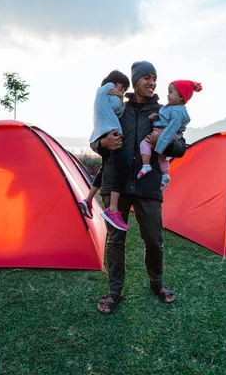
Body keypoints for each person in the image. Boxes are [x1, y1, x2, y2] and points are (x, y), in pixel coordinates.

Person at [91, 61, 187, 314]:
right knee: (115, 240)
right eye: (146, 77)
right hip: (117, 184)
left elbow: (181, 147)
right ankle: (114, 291)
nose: (152, 82)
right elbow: (97, 136)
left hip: (148, 183)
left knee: (154, 240)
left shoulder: (164, 111)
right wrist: (102, 143)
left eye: (155, 78)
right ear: (135, 81)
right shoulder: (118, 107)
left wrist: (163, 143)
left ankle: (157, 283)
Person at [78, 70, 131, 231]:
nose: (122, 92)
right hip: (111, 133)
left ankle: (87, 200)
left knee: (104, 167)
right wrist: (119, 97)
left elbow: (117, 109)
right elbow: (117, 107)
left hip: (103, 133)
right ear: (117, 82)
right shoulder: (108, 87)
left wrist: (119, 97)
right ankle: (113, 209)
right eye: (123, 88)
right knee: (124, 166)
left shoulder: (101, 94)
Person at [136, 80, 201, 191]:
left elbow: (171, 128)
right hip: (166, 135)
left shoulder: (178, 111)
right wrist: (156, 117)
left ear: (181, 97)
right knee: (162, 158)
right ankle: (165, 175)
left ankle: (146, 165)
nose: (168, 95)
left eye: (171, 92)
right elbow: (165, 119)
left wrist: (160, 144)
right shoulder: (172, 108)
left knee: (145, 144)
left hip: (164, 134)